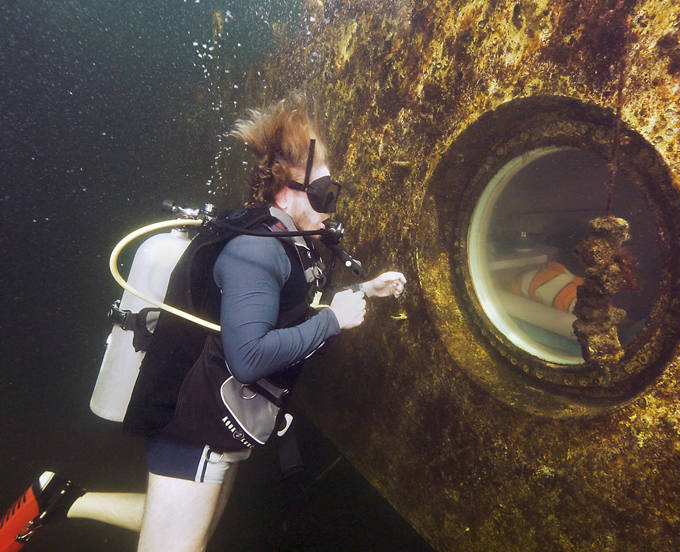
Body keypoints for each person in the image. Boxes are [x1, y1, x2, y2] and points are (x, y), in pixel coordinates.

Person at [0, 96, 406, 552]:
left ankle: (59, 498)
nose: (331, 209)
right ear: (287, 190)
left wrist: (363, 293)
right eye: (325, 193)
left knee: (192, 526)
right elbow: (248, 358)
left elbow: (287, 313)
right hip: (194, 431)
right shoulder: (257, 249)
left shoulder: (284, 242)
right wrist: (333, 320)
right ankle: (58, 499)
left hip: (223, 424)